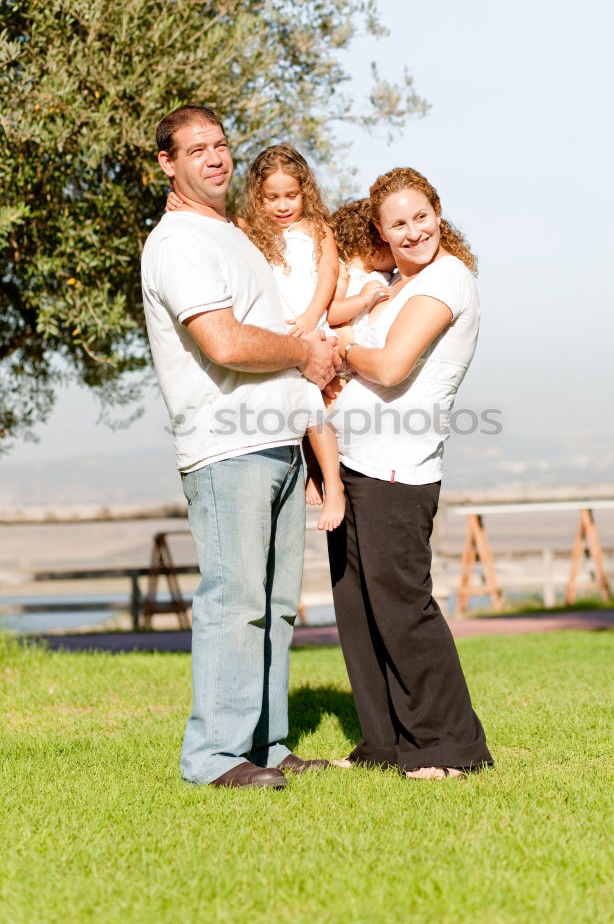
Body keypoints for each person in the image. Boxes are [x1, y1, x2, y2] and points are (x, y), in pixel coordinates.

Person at [141, 105, 339, 790]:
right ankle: (216, 758)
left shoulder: (233, 235)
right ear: (168, 163)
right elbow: (224, 342)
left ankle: (267, 744)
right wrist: (303, 352)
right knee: (235, 601)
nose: (216, 158)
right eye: (197, 149)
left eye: (221, 145)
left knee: (278, 604)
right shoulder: (178, 243)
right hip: (228, 448)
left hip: (277, 442)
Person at [327, 167, 494, 779]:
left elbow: (393, 366)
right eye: (397, 222)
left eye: (420, 216)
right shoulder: (396, 282)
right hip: (354, 463)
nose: (412, 229)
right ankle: (385, 743)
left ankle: (450, 745)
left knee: (402, 607)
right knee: (358, 609)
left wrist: (341, 350)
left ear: (438, 212)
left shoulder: (447, 279)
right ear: (381, 230)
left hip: (399, 467)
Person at [167, 144, 346, 532]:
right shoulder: (253, 231)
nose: (282, 206)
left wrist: (312, 317)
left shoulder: (317, 230)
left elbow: (329, 275)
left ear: (306, 193)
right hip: (282, 334)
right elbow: (223, 222)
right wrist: (184, 206)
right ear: (258, 197)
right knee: (293, 402)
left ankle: (333, 485)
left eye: (291, 196)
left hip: (309, 326)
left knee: (315, 404)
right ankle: (311, 471)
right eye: (272, 198)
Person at [328, 198, 395, 332]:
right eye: (391, 247)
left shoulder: (384, 275)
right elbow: (331, 314)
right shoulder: (343, 272)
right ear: (375, 245)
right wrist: (361, 299)